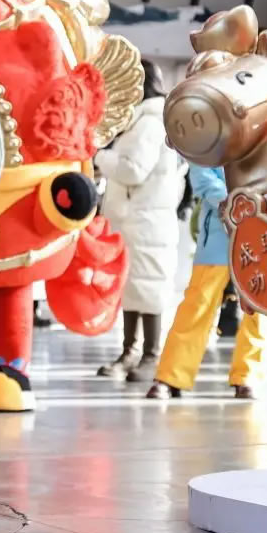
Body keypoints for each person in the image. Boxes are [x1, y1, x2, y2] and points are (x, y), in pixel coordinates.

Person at [94, 60, 187, 381]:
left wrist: (99, 156)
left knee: (148, 290)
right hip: (138, 221)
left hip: (145, 222)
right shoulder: (144, 121)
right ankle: (130, 352)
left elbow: (133, 170)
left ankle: (150, 356)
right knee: (133, 288)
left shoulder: (149, 123)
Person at [147, 165, 266, 400]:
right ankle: (170, 377)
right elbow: (201, 175)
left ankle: (247, 376)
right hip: (218, 235)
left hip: (257, 232)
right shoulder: (212, 143)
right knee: (197, 305)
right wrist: (236, 203)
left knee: (257, 309)